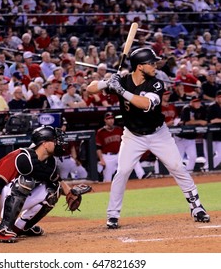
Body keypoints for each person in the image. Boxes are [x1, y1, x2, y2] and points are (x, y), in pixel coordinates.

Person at [87, 47, 210, 229]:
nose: (155, 66)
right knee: (122, 172)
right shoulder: (123, 80)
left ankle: (196, 207)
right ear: (139, 66)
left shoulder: (157, 84)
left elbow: (145, 104)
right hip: (133, 135)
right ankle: (112, 215)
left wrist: (120, 91)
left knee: (177, 167)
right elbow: (90, 89)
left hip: (158, 134)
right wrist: (107, 83)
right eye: (151, 63)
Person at [0, 125, 73, 243]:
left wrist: (71, 193)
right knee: (25, 182)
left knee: (53, 190)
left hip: (9, 193)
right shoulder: (21, 157)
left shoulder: (50, 163)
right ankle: (2, 229)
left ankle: (19, 228)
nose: (59, 143)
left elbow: (57, 182)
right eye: (55, 140)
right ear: (44, 143)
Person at [96, 112, 150, 182]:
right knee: (107, 180)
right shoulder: (101, 132)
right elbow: (98, 147)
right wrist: (101, 159)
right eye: (108, 119)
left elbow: (125, 142)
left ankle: (142, 175)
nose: (111, 120)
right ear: (105, 120)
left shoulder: (118, 129)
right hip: (107, 156)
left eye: (112, 118)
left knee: (133, 158)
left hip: (119, 154)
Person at [174, 96, 208, 172]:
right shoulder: (186, 109)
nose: (197, 103)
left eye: (198, 101)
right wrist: (199, 121)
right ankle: (174, 175)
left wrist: (196, 121)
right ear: (191, 102)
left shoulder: (202, 109)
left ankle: (189, 172)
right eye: (195, 102)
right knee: (178, 158)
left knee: (193, 157)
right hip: (181, 137)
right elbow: (187, 122)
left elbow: (205, 121)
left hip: (191, 138)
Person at [203, 90, 221, 170]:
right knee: (208, 156)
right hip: (210, 136)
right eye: (219, 97)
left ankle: (206, 169)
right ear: (216, 98)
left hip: (219, 136)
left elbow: (217, 120)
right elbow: (209, 121)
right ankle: (206, 170)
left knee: (220, 156)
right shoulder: (212, 107)